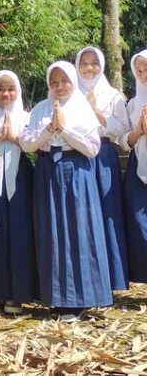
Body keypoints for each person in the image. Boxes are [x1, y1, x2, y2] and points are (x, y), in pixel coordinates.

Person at [20, 60, 110, 322]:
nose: (59, 86)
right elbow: (26, 144)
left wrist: (64, 128)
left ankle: (80, 300)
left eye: (64, 81)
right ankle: (56, 299)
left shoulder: (82, 109)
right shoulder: (39, 109)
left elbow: (92, 148)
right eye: (54, 82)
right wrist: (50, 128)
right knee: (51, 232)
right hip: (47, 172)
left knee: (78, 230)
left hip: (77, 173)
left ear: (73, 81)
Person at [0, 70, 37, 315]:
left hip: (20, 180)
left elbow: (37, 146)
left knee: (20, 235)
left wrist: (14, 138)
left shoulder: (28, 117)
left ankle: (17, 295)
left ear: (18, 91)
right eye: (0, 88)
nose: (5, 93)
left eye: (10, 88)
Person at [75, 46, 130, 291]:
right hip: (78, 155)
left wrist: (96, 111)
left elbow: (121, 130)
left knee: (107, 212)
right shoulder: (69, 90)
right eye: (84, 63)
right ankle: (86, 278)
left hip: (104, 155)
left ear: (102, 65)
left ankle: (112, 278)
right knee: (83, 214)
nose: (88, 68)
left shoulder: (113, 95)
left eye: (93, 63)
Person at [119, 50, 147, 284]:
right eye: (138, 70)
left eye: (146, 69)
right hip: (139, 167)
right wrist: (138, 131)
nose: (143, 74)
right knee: (139, 224)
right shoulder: (133, 104)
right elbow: (124, 141)